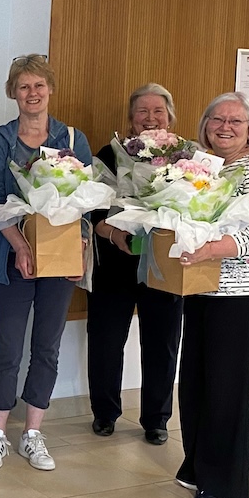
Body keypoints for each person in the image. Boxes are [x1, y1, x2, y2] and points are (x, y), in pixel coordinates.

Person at [174, 92, 249, 498]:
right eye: (216, 120)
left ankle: (222, 481)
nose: (224, 127)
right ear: (205, 125)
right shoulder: (203, 165)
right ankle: (196, 465)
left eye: (235, 121)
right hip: (201, 286)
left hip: (242, 292)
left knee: (228, 389)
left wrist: (212, 249)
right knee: (196, 383)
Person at [0, 54, 92, 472]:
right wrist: (20, 246)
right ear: (13, 92)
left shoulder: (72, 138)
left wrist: (78, 244)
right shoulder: (0, 141)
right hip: (11, 256)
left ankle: (32, 433)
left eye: (39, 86)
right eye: (24, 87)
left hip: (59, 259)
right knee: (7, 345)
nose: (32, 94)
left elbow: (85, 197)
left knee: (47, 345)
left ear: (50, 89)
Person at [87, 84, 184, 444]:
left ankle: (157, 418)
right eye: (142, 112)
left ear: (170, 118)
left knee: (162, 342)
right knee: (106, 340)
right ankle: (105, 413)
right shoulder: (108, 155)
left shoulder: (184, 161)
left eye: (157, 111)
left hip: (163, 265)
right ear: (130, 121)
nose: (150, 118)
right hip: (115, 261)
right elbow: (94, 214)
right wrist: (116, 235)